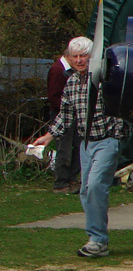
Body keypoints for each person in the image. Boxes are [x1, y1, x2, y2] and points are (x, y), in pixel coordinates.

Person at [31, 37, 133, 258]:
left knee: (95, 186)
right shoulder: (72, 83)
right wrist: (47, 137)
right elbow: (65, 116)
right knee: (86, 191)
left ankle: (97, 240)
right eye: (74, 56)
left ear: (92, 56)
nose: (79, 60)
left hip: (109, 139)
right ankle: (97, 238)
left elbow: (129, 104)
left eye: (83, 56)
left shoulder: (108, 79)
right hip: (86, 142)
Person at [46, 38, 88, 193]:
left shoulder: (74, 73)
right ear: (69, 57)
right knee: (64, 149)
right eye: (75, 56)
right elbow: (54, 97)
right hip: (61, 114)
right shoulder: (58, 71)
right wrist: (71, 107)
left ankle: (72, 179)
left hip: (74, 115)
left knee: (77, 147)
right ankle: (61, 182)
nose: (78, 60)